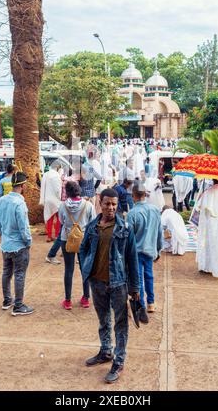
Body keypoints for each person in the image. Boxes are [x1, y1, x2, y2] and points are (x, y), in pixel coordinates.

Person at [79, 188, 140, 384]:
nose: (111, 207)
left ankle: (119, 361)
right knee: (103, 320)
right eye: (107, 204)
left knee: (120, 324)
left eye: (114, 204)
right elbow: (83, 249)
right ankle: (106, 351)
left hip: (118, 283)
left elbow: (132, 258)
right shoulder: (92, 226)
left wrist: (135, 288)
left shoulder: (124, 229)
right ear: (100, 202)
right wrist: (87, 270)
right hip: (97, 283)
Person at [0, 172, 34, 315]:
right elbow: (23, 227)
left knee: (6, 272)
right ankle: (18, 305)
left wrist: (3, 236)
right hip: (19, 245)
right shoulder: (19, 203)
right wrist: (28, 241)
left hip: (6, 244)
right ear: (23, 186)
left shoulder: (1, 201)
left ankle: (7, 300)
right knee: (19, 274)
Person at [126, 183, 162, 324]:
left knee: (138, 279)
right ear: (145, 195)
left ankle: (140, 306)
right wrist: (158, 249)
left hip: (136, 252)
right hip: (150, 251)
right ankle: (151, 303)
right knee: (149, 276)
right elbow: (159, 232)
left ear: (134, 196)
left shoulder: (132, 214)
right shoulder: (155, 210)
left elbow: (128, 237)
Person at [58, 181, 96, 310]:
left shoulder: (63, 206)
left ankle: (68, 301)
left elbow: (61, 221)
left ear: (67, 193)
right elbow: (93, 223)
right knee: (84, 269)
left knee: (68, 269)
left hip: (67, 238)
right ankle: (86, 298)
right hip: (84, 239)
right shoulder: (88, 205)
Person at [40, 163, 62, 242]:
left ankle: (49, 236)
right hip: (55, 200)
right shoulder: (56, 175)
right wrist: (60, 197)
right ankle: (56, 235)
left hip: (47, 199)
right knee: (59, 218)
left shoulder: (45, 175)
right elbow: (57, 189)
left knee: (49, 217)